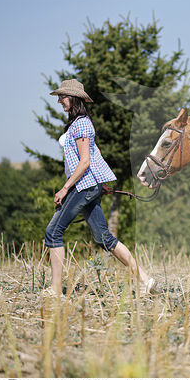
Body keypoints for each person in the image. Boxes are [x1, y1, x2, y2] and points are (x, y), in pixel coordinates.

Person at [43, 79, 155, 297]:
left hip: (82, 186)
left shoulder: (82, 124)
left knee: (53, 232)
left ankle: (55, 290)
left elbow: (85, 161)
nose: (59, 101)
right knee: (104, 238)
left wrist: (65, 188)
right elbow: (95, 154)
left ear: (73, 98)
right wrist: (100, 183)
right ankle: (145, 279)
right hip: (89, 185)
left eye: (63, 97)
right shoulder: (78, 123)